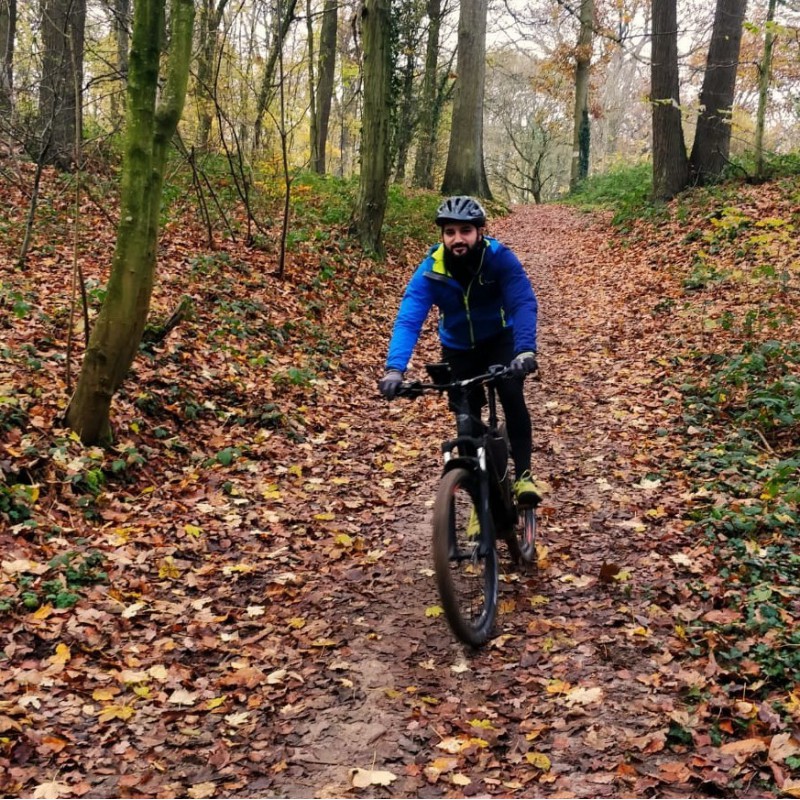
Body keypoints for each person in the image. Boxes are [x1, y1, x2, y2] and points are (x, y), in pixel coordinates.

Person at [378, 195, 543, 505]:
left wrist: (524, 350)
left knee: (510, 393)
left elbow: (522, 302)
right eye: (450, 232)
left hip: (499, 340)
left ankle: (523, 476)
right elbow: (409, 318)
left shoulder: (499, 258)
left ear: (479, 232)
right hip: (458, 348)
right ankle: (479, 501)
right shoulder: (431, 269)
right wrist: (394, 368)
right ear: (442, 236)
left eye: (465, 231)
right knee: (465, 418)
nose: (457, 239)